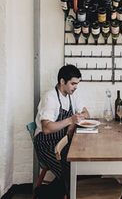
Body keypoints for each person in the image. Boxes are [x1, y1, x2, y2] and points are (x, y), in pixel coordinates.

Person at [34, 64, 89, 197]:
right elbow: (47, 128)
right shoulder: (50, 98)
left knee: (83, 164)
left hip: (63, 141)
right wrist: (70, 120)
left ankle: (48, 192)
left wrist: (74, 122)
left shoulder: (72, 95)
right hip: (45, 143)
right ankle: (44, 194)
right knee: (70, 171)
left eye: (77, 84)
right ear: (62, 81)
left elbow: (86, 112)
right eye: (73, 83)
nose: (75, 87)